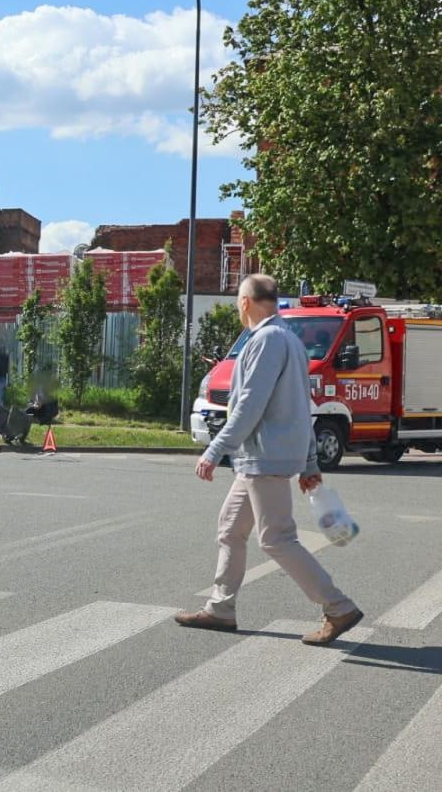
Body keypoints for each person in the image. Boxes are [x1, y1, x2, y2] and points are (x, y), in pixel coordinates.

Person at [176, 273, 364, 647]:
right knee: (231, 528)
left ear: (244, 302)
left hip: (265, 456)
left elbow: (249, 406)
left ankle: (338, 607)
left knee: (277, 538)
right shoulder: (290, 341)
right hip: (260, 457)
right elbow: (302, 406)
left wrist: (214, 451)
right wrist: (310, 461)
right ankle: (220, 609)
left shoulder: (265, 340)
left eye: (237, 302)